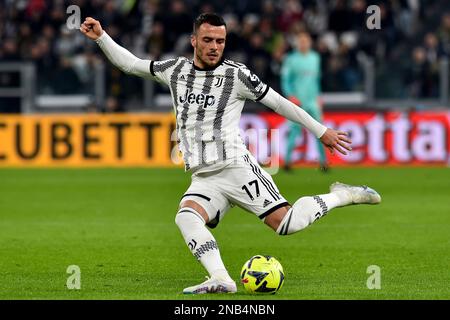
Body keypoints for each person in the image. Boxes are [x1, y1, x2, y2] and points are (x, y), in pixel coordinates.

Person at [80, 13, 381, 294]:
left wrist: (321, 131)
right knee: (186, 217)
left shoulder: (237, 76)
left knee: (287, 225)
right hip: (204, 176)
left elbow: (280, 104)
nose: (214, 47)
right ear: (193, 41)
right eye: (208, 40)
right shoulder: (175, 71)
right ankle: (221, 278)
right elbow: (131, 64)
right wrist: (101, 37)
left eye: (220, 41)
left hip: (236, 168)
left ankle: (344, 195)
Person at [281, 31, 328, 172]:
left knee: (320, 131)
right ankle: (288, 162)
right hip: (297, 101)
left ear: (310, 42)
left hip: (312, 101)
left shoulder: (315, 58)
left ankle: (323, 162)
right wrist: (290, 95)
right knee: (294, 131)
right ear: (297, 43)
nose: (303, 43)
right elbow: (285, 81)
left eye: (306, 41)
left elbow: (316, 81)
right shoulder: (290, 59)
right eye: (301, 41)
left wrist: (318, 97)